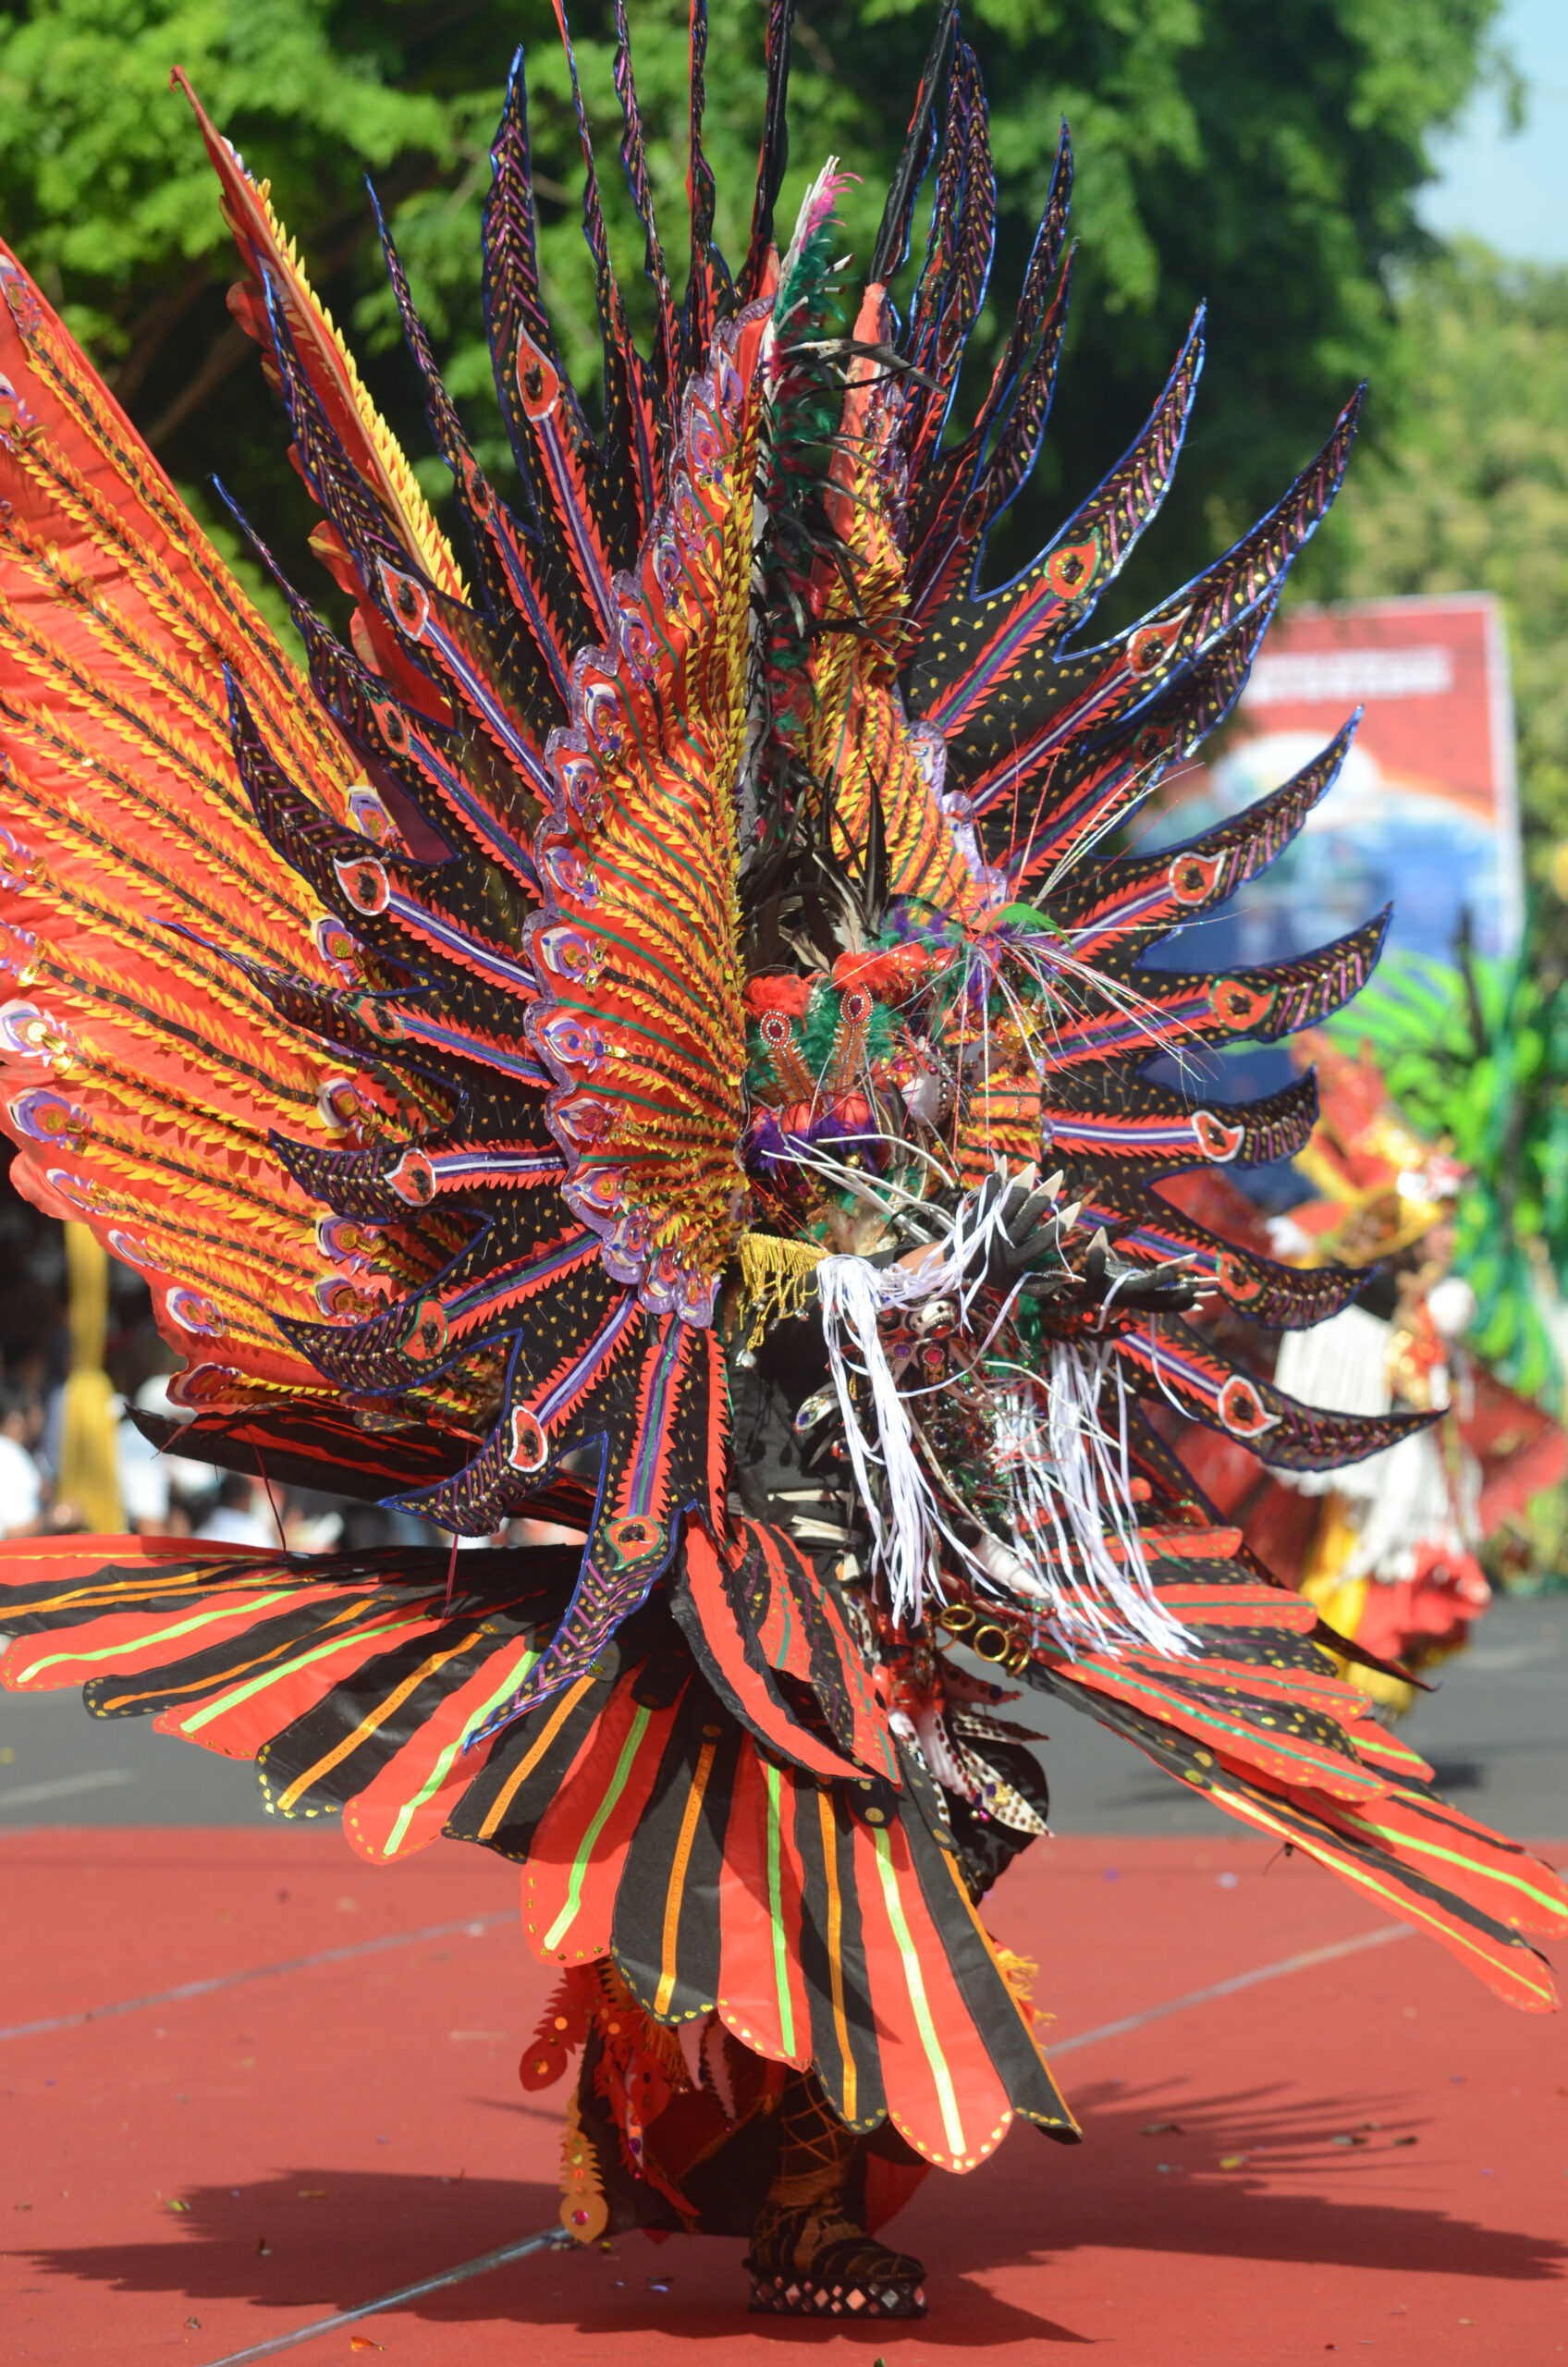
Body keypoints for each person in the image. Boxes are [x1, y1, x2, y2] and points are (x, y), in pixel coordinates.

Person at [0, 10, 1563, 2324]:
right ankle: (773, 2171)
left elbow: (995, 1148)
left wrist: (1019, 1250)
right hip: (718, 1467)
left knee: (971, 1805)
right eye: (802, 502)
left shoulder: (916, 893)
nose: (840, 553)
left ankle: (721, 2125)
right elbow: (738, 1206)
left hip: (911, 1479)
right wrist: (824, 1242)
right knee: (803, 1835)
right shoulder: (665, 923)